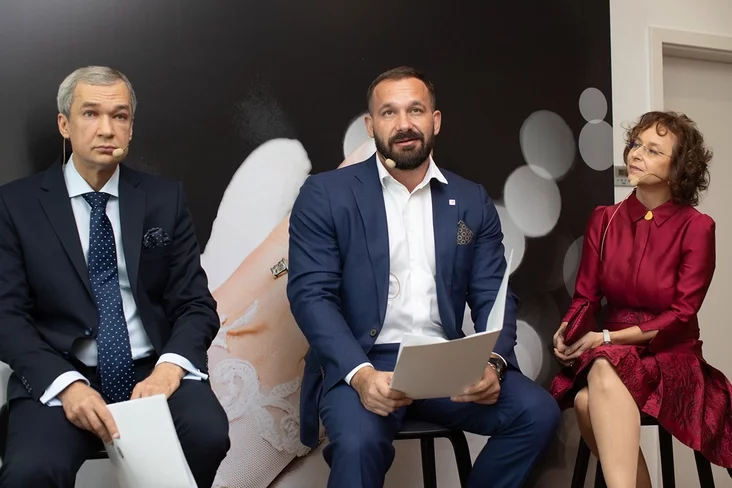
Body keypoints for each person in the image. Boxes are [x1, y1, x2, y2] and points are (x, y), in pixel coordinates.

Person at [287, 66, 560, 488]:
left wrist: (493, 363)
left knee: (538, 414)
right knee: (357, 445)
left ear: (435, 120)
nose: (404, 124)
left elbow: (494, 293)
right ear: (370, 125)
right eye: (389, 112)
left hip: (446, 362)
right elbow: (311, 296)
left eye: (415, 110)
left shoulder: (470, 200)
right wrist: (360, 374)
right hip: (364, 361)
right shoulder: (325, 194)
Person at [0, 66, 230, 487]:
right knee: (31, 471)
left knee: (207, 434)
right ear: (64, 124)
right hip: (62, 371)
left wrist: (168, 371)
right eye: (91, 114)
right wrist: (67, 386)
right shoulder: (15, 205)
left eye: (120, 116)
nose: (107, 129)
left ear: (131, 127)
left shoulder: (164, 198)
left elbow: (196, 304)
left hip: (150, 368)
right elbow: (6, 315)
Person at [550, 111, 732, 488]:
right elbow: (585, 296)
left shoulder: (697, 227)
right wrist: (567, 330)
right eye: (636, 144)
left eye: (652, 150)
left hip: (671, 354)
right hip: (611, 351)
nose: (636, 154)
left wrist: (607, 338)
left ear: (678, 168)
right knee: (588, 393)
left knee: (598, 374)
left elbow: (682, 315)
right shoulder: (604, 218)